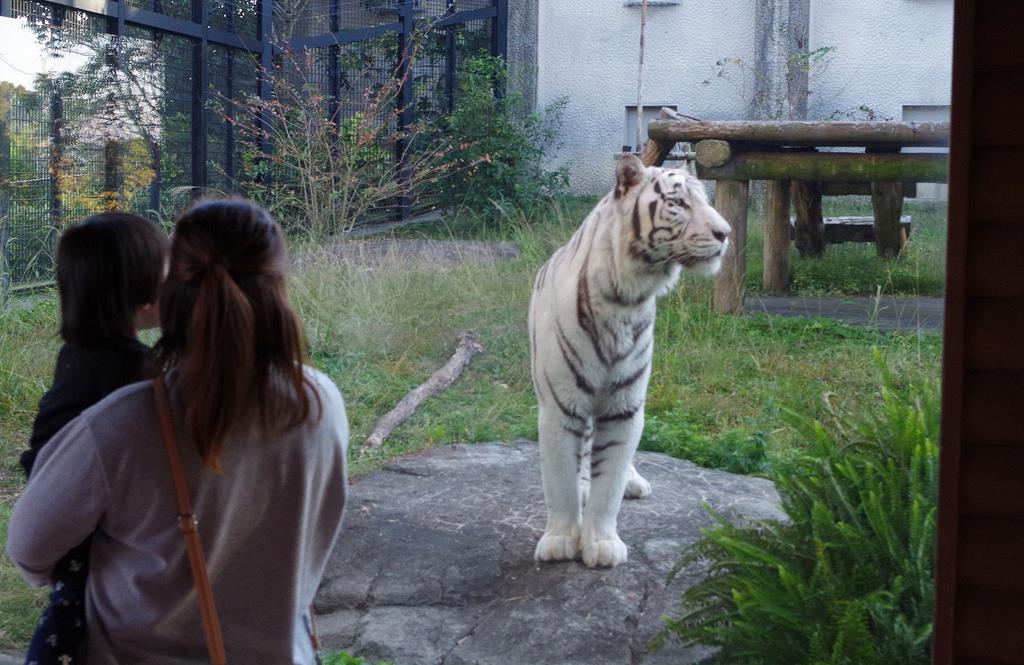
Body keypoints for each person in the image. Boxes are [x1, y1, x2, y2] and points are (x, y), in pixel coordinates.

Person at [9, 199, 349, 664]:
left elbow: (29, 549)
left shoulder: (122, 424)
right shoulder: (321, 402)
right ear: (278, 282)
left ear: (174, 287)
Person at [19, 211, 169, 665]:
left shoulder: (82, 354)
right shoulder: (136, 373)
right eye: (167, 270)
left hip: (69, 534)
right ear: (142, 288)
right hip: (95, 545)